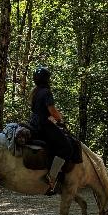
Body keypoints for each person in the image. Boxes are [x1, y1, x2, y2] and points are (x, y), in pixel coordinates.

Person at [29, 67, 73, 195]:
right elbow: (52, 111)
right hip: (44, 126)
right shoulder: (46, 92)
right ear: (47, 79)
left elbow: (40, 111)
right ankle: (51, 178)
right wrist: (60, 119)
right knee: (67, 148)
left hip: (35, 123)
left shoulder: (35, 92)